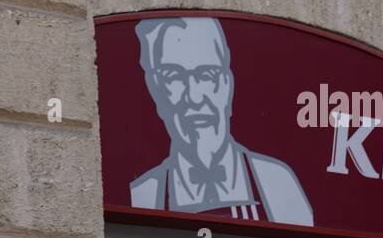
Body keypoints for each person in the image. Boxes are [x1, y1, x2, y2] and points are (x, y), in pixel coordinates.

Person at [131, 16, 314, 225]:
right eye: (174, 77)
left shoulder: (276, 182)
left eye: (207, 74)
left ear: (227, 85)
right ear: (157, 91)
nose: (194, 97)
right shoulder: (144, 194)